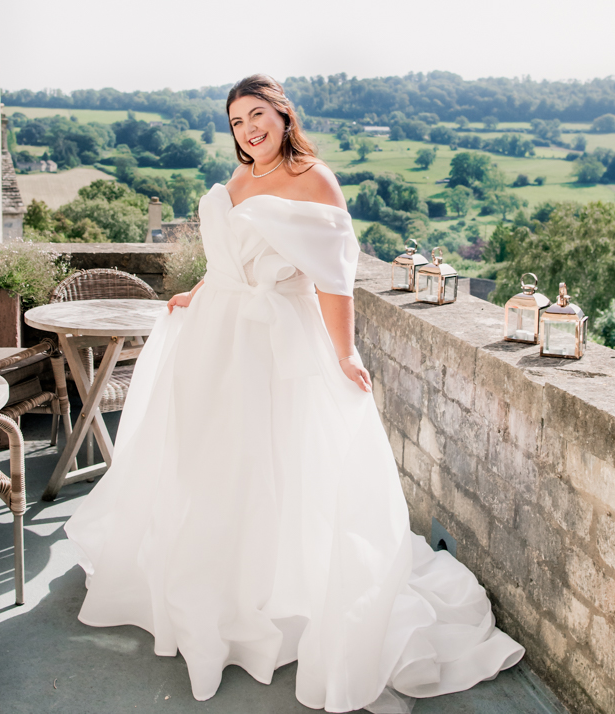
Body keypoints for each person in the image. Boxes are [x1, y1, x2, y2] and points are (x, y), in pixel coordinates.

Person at [65, 74, 523, 714]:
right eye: (235, 122)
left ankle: (276, 596)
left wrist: (344, 351)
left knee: (274, 463)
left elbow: (334, 280)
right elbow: (229, 261)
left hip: (274, 344)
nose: (247, 130)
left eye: (257, 115)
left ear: (283, 116)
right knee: (210, 463)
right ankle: (214, 587)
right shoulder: (239, 181)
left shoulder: (315, 180)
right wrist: (194, 296)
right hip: (214, 338)